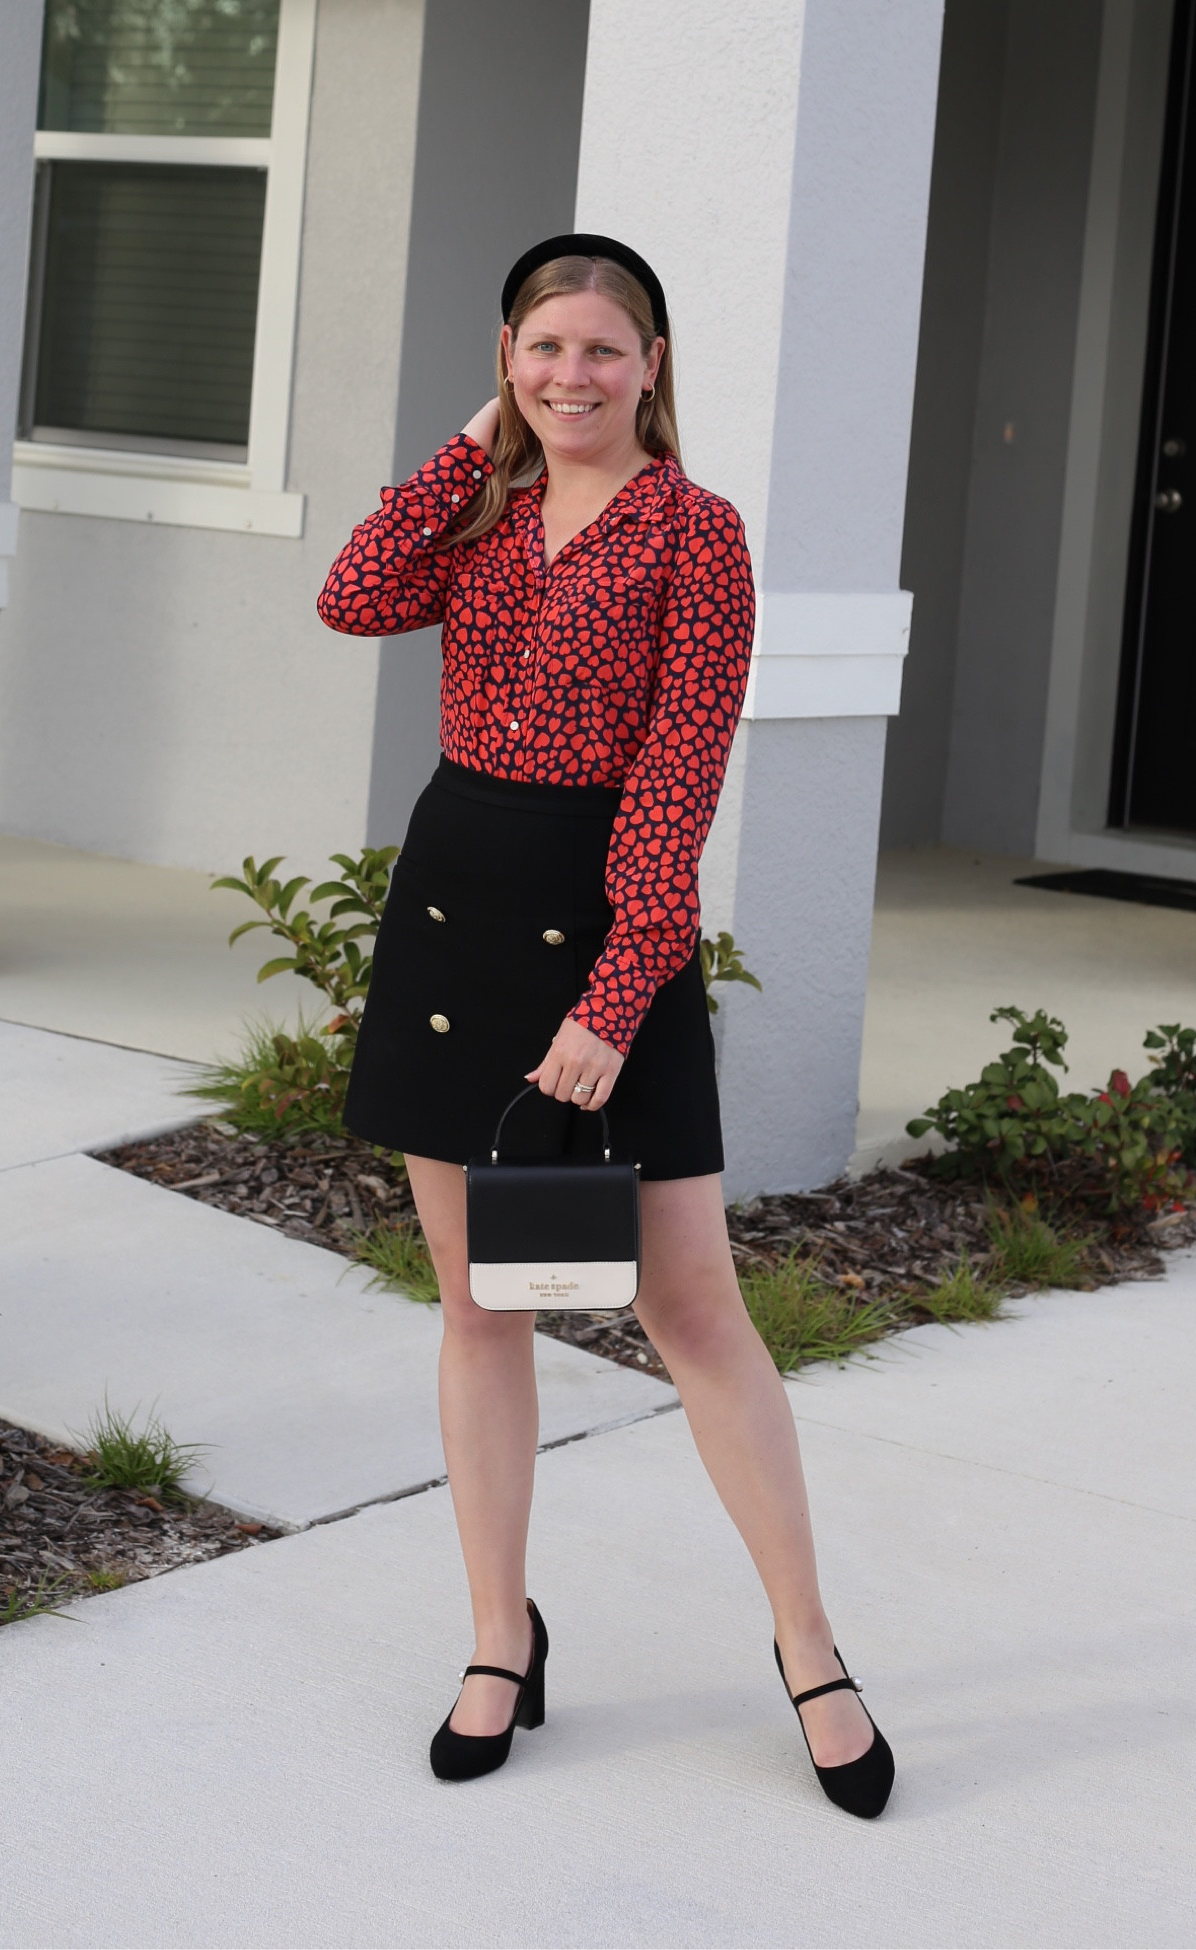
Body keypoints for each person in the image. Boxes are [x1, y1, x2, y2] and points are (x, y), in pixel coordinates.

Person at [317, 234, 894, 1818]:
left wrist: (612, 999)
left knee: (693, 1308)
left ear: (651, 365)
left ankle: (808, 1642)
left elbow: (676, 781)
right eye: (542, 347)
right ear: (505, 351)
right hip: (452, 917)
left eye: (601, 350)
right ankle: (500, 1635)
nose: (570, 376)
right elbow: (350, 597)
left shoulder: (694, 535)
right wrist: (462, 446)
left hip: (604, 933)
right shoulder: (480, 510)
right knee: (477, 1303)